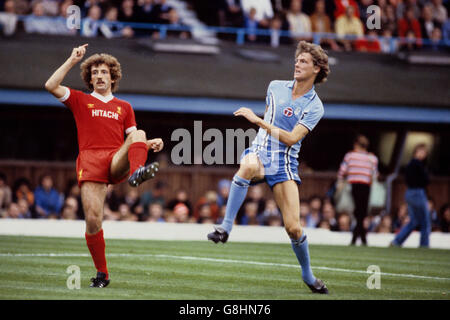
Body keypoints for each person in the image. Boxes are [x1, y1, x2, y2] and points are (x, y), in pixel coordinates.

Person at [207, 40, 330, 294]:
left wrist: (257, 120)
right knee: (247, 166)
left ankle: (308, 276)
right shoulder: (275, 87)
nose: (297, 64)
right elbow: (271, 120)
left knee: (293, 227)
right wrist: (262, 125)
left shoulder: (315, 106)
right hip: (261, 153)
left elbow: (291, 138)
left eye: (304, 61)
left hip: (284, 165)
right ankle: (225, 227)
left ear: (317, 69)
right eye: (297, 60)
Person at [44, 44, 164, 288]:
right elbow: (50, 86)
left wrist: (151, 142)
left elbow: (134, 139)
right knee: (92, 219)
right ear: (90, 78)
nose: (99, 76)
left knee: (139, 132)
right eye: (95, 72)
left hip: (116, 158)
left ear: (112, 77)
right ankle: (102, 274)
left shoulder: (124, 107)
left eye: (104, 72)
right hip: (90, 160)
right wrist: (71, 60)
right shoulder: (80, 100)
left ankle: (137, 172)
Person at [337, 134, 378, 246]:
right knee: (362, 212)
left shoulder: (350, 156)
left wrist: (340, 183)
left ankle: (356, 238)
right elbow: (375, 175)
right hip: (366, 186)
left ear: (356, 144)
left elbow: (342, 171)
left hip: (353, 186)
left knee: (358, 212)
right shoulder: (372, 158)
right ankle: (361, 238)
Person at [391, 144, 431, 248]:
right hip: (417, 192)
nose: (423, 154)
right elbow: (425, 180)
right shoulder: (416, 164)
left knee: (413, 221)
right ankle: (424, 245)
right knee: (425, 221)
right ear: (415, 152)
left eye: (424, 152)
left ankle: (397, 241)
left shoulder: (413, 164)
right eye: (421, 151)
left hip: (410, 193)